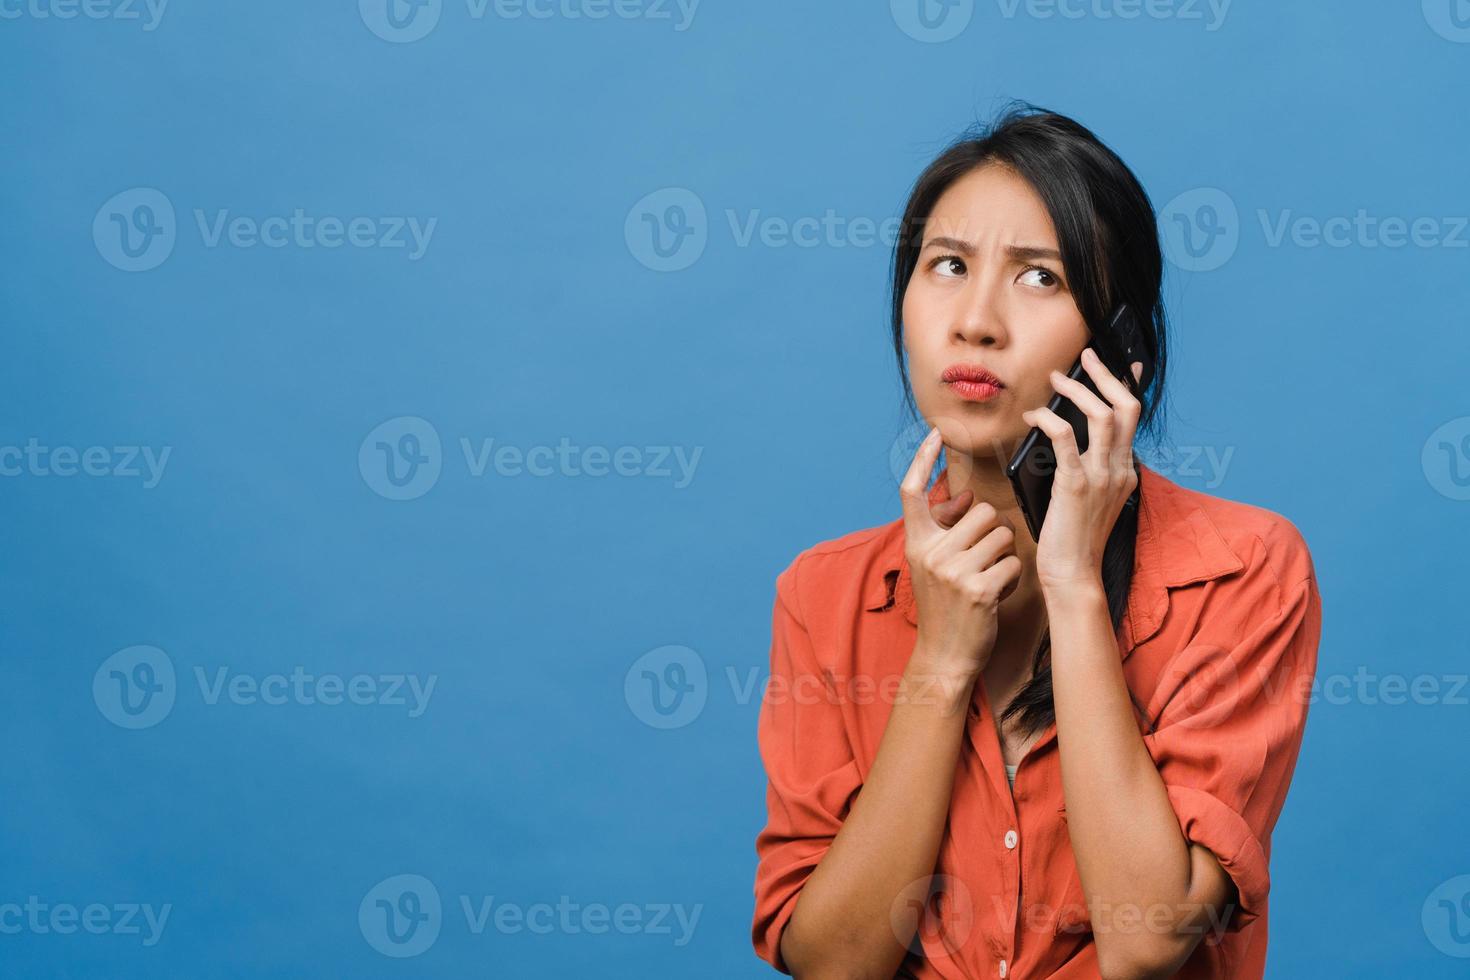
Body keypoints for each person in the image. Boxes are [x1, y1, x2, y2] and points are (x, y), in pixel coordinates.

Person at [750, 103, 1323, 979]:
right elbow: (831, 962)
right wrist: (940, 662)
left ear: (1119, 345)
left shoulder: (1243, 570)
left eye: (1040, 278)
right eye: (946, 266)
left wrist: (1074, 585)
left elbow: (1148, 939)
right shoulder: (823, 594)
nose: (975, 321)